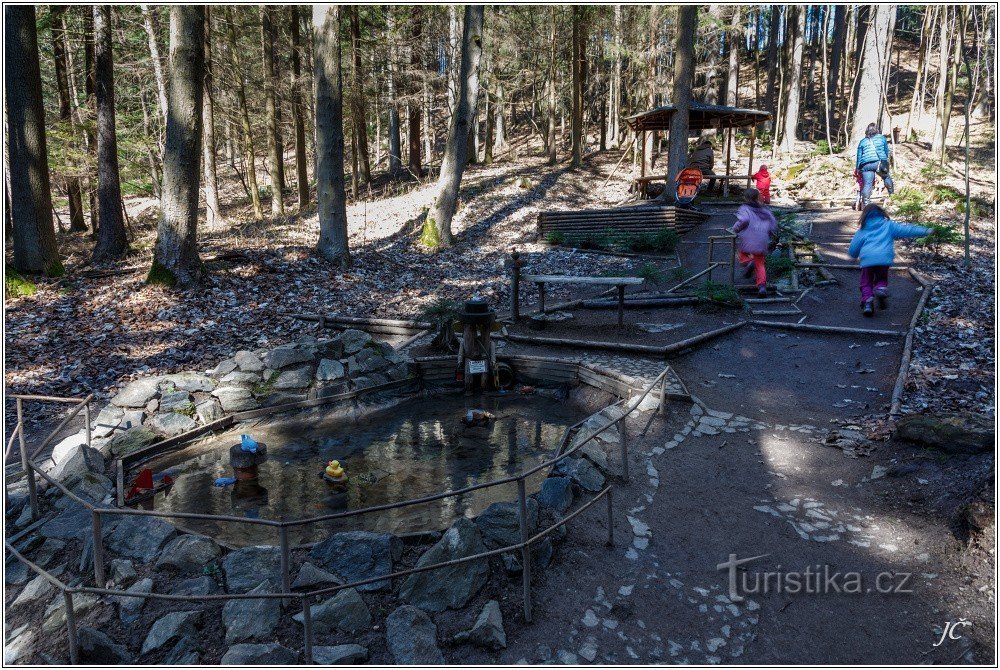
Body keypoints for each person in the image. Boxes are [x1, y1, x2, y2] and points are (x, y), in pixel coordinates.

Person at [848, 204, 929, 316]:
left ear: (864, 216)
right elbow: (906, 229)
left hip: (868, 260)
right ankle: (880, 289)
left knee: (866, 282)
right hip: (884, 259)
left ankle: (867, 302)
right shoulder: (888, 225)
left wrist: (853, 255)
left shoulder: (863, 230)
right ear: (881, 213)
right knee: (881, 278)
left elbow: (854, 248)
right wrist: (926, 231)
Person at [731, 188, 779, 296]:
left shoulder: (745, 208)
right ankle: (762, 287)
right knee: (760, 263)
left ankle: (748, 263)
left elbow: (744, 220)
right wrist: (769, 233)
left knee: (742, 253)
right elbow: (773, 223)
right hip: (762, 239)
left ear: (745, 197)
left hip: (749, 237)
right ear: (758, 197)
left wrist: (735, 229)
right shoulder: (764, 210)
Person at [856, 122, 895, 207]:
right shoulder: (882, 138)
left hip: (865, 165)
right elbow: (885, 151)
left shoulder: (863, 141)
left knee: (867, 184)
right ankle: (893, 197)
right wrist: (885, 162)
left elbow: (859, 156)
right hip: (879, 162)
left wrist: (857, 168)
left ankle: (866, 205)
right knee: (886, 177)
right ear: (876, 130)